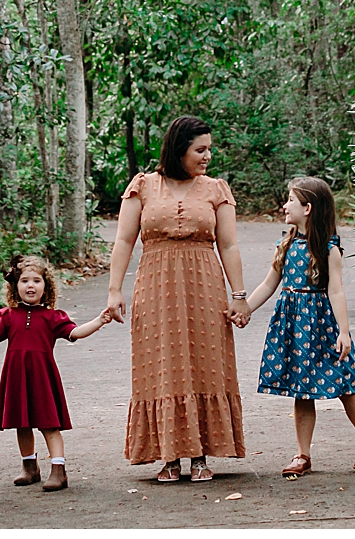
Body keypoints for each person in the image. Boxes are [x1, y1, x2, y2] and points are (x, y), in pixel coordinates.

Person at [104, 115, 250, 483]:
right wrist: (114, 289)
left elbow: (229, 245)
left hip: (205, 286)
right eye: (200, 150)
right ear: (179, 149)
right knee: (161, 365)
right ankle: (168, 457)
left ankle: (200, 455)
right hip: (156, 285)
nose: (208, 156)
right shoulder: (143, 186)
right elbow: (123, 241)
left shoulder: (216, 189)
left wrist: (239, 296)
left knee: (205, 363)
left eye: (210, 149)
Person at [241, 176, 355, 475]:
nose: (284, 205)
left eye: (290, 200)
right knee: (301, 391)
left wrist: (344, 332)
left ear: (307, 208)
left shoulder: (329, 248)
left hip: (322, 326)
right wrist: (245, 309)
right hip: (293, 326)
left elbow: (336, 291)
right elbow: (269, 284)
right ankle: (302, 455)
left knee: (346, 385)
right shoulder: (287, 243)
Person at [0, 254, 111, 492]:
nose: (30, 285)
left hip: (43, 377)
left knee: (49, 423)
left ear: (46, 286)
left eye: (36, 280)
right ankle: (29, 467)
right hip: (16, 376)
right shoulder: (8, 316)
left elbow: (76, 333)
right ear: (16, 286)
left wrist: (99, 320)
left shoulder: (53, 317)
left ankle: (58, 470)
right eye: (24, 281)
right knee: (21, 423)